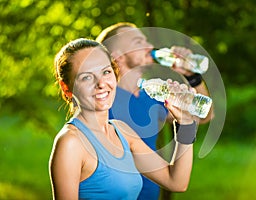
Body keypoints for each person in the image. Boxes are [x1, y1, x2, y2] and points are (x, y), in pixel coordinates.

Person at [49, 38, 198, 199]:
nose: (101, 83)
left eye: (106, 72)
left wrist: (185, 122)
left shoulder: (122, 131)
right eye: (86, 77)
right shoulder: (71, 143)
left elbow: (176, 181)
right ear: (66, 88)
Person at [96, 22, 214, 200]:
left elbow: (205, 115)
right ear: (117, 56)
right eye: (138, 42)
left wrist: (191, 76)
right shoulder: (103, 101)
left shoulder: (152, 95)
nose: (149, 47)